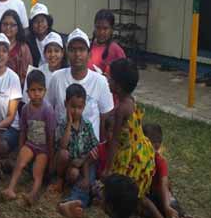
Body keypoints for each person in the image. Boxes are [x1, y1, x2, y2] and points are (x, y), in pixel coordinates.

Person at [104, 58, 156, 214]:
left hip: (132, 158)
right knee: (138, 198)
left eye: (110, 78)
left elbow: (114, 141)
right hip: (143, 150)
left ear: (118, 87)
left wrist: (108, 168)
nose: (107, 80)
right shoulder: (130, 100)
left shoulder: (121, 110)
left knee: (128, 197)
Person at [47, 28, 114, 142]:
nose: (77, 54)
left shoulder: (100, 81)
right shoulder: (57, 78)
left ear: (89, 54)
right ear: (67, 54)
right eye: (73, 50)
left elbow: (106, 118)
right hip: (62, 143)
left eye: (81, 49)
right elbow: (49, 111)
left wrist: (101, 148)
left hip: (89, 148)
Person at [2, 70, 55, 205]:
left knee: (38, 172)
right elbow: (23, 130)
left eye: (40, 90)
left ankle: (33, 194)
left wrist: (50, 155)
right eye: (33, 90)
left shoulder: (47, 110)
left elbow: (50, 134)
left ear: (45, 90)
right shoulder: (25, 109)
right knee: (20, 164)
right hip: (30, 144)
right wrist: (21, 148)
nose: (36, 93)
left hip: (43, 148)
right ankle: (10, 189)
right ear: (27, 92)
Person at [54, 84, 99, 217]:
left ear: (84, 106)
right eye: (72, 107)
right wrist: (69, 124)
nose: (76, 111)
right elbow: (62, 146)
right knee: (68, 162)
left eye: (79, 107)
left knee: (87, 178)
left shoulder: (87, 125)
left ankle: (74, 202)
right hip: (68, 164)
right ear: (65, 104)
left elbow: (94, 147)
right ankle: (61, 181)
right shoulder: (63, 124)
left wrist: (83, 162)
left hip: (84, 162)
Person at [143, 124, 185, 218]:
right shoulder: (138, 159)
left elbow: (164, 184)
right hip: (146, 195)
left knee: (172, 207)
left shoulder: (160, 161)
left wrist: (167, 207)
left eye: (155, 147)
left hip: (159, 194)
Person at [0, 9, 32, 84]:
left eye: (12, 25)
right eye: (5, 24)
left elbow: (29, 73)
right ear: (0, 25)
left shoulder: (23, 48)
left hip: (18, 87)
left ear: (18, 27)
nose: (8, 27)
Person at [89, 9, 126, 74]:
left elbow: (123, 78)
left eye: (105, 28)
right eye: (98, 27)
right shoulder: (87, 47)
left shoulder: (117, 51)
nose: (101, 32)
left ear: (112, 29)